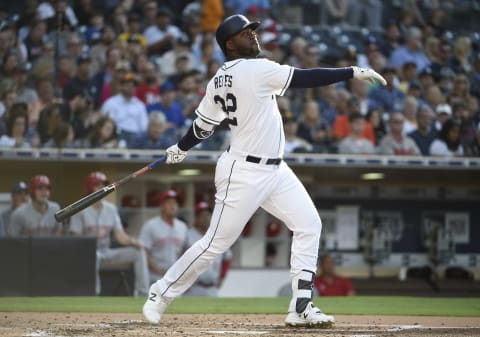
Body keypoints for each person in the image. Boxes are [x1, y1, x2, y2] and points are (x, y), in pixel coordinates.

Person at [142, 14, 386, 328]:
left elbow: (203, 126)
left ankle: (301, 306)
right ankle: (159, 293)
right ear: (230, 44)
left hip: (275, 170)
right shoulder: (255, 69)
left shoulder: (219, 77)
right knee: (215, 243)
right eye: (246, 34)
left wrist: (182, 147)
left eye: (253, 32)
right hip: (242, 171)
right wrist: (352, 71)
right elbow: (305, 78)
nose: (254, 37)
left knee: (309, 225)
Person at [69, 172, 149, 296]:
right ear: (89, 187)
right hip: (87, 253)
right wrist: (93, 237)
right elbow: (74, 239)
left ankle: (143, 293)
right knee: (94, 256)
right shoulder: (80, 208)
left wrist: (134, 242)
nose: (101, 188)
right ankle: (94, 294)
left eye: (103, 185)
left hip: (106, 251)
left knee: (138, 253)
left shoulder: (111, 209)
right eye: (97, 185)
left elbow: (120, 236)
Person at [139, 190, 189, 283]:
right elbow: (143, 252)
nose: (173, 206)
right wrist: (158, 271)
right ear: (161, 206)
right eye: (169, 203)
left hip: (175, 277)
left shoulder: (182, 226)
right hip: (154, 277)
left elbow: (186, 250)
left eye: (175, 203)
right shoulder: (150, 225)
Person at [184, 201, 232, 297]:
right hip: (193, 288)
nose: (206, 218)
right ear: (196, 218)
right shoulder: (188, 235)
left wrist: (222, 277)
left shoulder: (218, 236)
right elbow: (180, 258)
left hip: (212, 288)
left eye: (208, 215)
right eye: (202, 215)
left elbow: (228, 257)